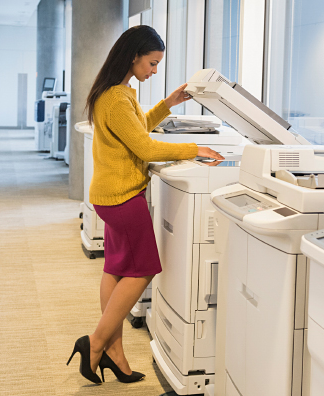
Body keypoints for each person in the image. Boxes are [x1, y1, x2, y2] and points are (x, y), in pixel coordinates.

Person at [66, 25, 224, 385]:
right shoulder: (117, 98)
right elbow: (147, 148)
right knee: (144, 269)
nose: (154, 71)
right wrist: (195, 149)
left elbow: (137, 131)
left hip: (111, 196)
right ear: (134, 55)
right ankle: (94, 344)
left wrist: (166, 106)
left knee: (116, 269)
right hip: (123, 199)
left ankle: (115, 352)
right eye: (152, 63)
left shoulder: (117, 92)